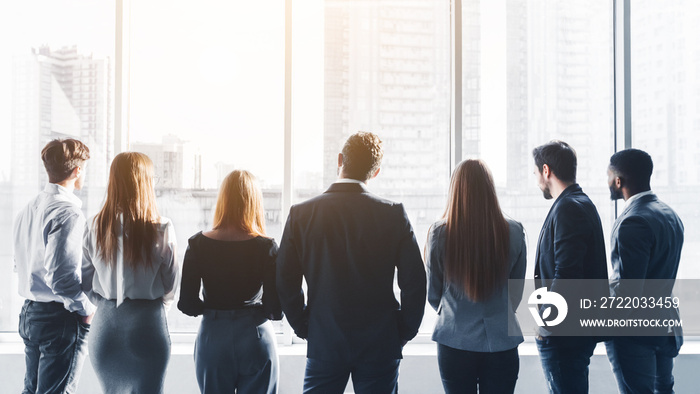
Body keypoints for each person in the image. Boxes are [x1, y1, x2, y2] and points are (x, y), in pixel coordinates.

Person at [276, 131, 426, 393]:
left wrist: (304, 326)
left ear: (340, 159)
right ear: (376, 172)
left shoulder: (301, 214)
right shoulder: (393, 214)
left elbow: (285, 280)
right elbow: (415, 282)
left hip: (325, 339)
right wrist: (402, 331)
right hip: (380, 343)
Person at [426, 159, 527, 394]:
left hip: (454, 340)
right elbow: (516, 293)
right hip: (501, 340)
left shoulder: (439, 234)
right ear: (490, 190)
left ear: (455, 190)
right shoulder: (514, 231)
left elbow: (434, 294)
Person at [178, 170, 283, 394]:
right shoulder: (267, 247)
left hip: (214, 337)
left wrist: (215, 311)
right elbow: (275, 309)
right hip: (255, 336)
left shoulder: (197, 244)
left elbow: (187, 304)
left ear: (222, 200)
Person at [82, 152, 178, 394]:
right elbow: (171, 284)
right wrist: (154, 307)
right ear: (145, 183)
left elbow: (84, 281)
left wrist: (105, 303)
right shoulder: (162, 227)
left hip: (106, 327)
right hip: (147, 324)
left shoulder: (94, 225)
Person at [13, 138, 95, 394]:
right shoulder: (67, 212)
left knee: (32, 390)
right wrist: (85, 310)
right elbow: (61, 279)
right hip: (58, 318)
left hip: (30, 313)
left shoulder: (28, 208)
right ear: (77, 170)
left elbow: (20, 263)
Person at [604, 149, 684, 394]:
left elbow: (628, 292)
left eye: (608, 176)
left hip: (636, 334)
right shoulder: (670, 214)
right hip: (665, 326)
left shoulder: (633, 221)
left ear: (619, 181)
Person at [532, 140, 608, 394]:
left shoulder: (568, 208)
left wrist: (546, 323)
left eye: (536, 174)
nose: (537, 181)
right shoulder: (580, 203)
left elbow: (566, 274)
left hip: (564, 335)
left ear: (546, 170)